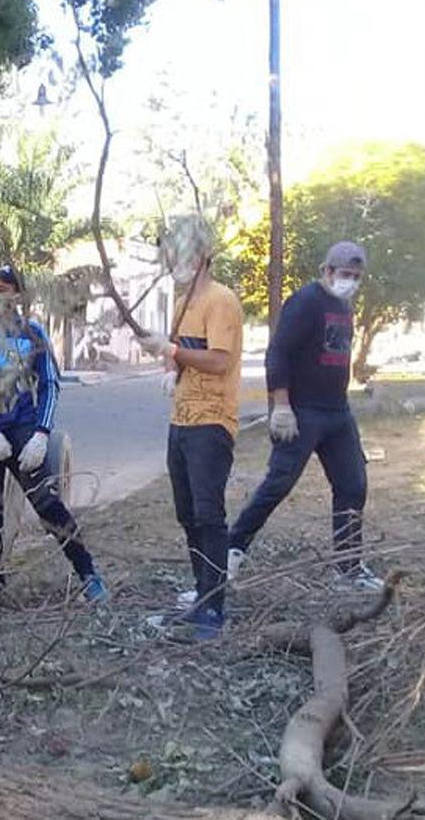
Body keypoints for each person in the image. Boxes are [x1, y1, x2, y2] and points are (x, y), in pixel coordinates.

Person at [226, 241, 384, 591]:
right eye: (345, 274)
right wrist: (281, 406)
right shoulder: (305, 302)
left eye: (356, 277)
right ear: (326, 271)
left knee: (353, 486)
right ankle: (231, 549)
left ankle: (348, 568)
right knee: (278, 485)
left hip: (337, 412)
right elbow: (278, 354)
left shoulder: (344, 306)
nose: (351, 282)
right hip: (302, 412)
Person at [0, 265, 107, 609]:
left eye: (4, 288)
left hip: (22, 432)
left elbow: (50, 384)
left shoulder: (32, 334)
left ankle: (89, 575)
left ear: (17, 295)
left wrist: (40, 434)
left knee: (48, 506)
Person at [135, 216, 244, 639]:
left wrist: (174, 349)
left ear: (201, 256)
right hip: (180, 419)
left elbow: (219, 360)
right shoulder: (182, 302)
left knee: (208, 512)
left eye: (179, 253)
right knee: (186, 512)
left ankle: (213, 609)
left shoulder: (221, 300)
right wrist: (165, 357)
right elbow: (180, 355)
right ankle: (202, 591)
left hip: (212, 422)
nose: (173, 262)